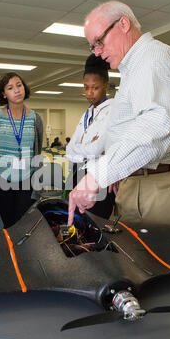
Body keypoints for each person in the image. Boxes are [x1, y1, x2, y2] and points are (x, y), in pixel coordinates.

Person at [68, 0, 170, 227]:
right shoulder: (134, 67)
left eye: (99, 41)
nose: (97, 52)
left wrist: (97, 176)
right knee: (133, 258)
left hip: (151, 185)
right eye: (92, 46)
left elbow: (155, 124)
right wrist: (120, 169)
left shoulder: (151, 59)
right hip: (137, 181)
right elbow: (133, 127)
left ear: (123, 24)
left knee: (151, 260)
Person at [0, 72, 43, 229]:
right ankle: (11, 252)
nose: (17, 90)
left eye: (19, 85)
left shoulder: (35, 118)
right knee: (8, 221)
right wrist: (1, 165)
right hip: (2, 174)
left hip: (27, 176)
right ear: (4, 94)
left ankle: (23, 252)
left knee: (24, 220)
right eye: (10, 88)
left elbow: (37, 149)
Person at [65, 54, 115, 219]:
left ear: (106, 86)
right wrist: (86, 148)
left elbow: (95, 149)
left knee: (95, 224)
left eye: (95, 87)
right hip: (80, 173)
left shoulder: (112, 110)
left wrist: (83, 148)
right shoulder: (88, 113)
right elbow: (69, 150)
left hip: (99, 178)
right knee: (78, 223)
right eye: (86, 87)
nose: (89, 93)